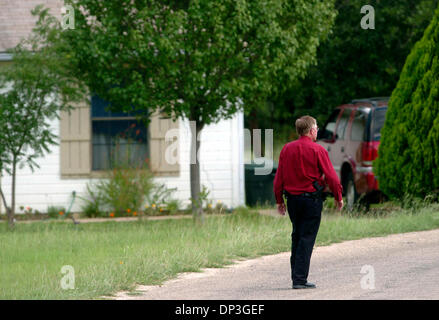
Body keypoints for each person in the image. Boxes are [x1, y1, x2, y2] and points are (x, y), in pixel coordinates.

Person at [273, 115, 343, 289]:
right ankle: (299, 280)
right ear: (311, 130)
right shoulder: (318, 150)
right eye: (317, 128)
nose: (317, 130)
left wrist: (278, 200)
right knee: (306, 238)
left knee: (297, 235)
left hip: (293, 201)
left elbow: (278, 178)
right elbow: (332, 177)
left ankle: (296, 276)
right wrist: (338, 197)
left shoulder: (286, 149)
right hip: (311, 201)